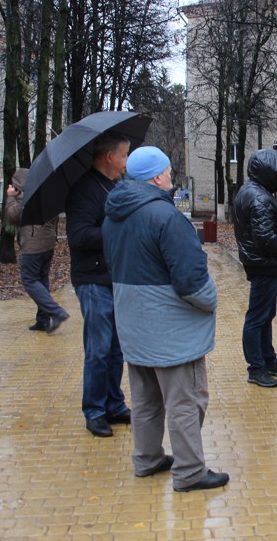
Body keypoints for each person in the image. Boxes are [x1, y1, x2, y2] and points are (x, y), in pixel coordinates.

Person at [103, 146, 229, 493]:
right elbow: (191, 279)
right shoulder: (166, 217)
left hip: (133, 323)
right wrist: (211, 301)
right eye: (169, 171)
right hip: (170, 330)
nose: (172, 177)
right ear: (157, 176)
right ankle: (189, 472)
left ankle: (147, 458)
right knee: (187, 400)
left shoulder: (114, 214)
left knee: (144, 398)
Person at [66, 135, 132, 438]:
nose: (127, 162)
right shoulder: (83, 190)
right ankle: (94, 410)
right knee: (99, 348)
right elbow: (79, 237)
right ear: (109, 156)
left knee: (116, 348)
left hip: (112, 277)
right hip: (91, 281)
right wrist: (115, 228)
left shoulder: (112, 186)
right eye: (124, 155)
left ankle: (114, 404)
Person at [233, 148, 277, 388]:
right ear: (269, 171)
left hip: (263, 265)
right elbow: (265, 237)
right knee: (257, 317)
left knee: (265, 315)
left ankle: (268, 359)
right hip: (264, 266)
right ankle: (256, 367)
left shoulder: (253, 191)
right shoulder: (259, 197)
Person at [4, 168, 70, 334]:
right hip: (48, 242)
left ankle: (56, 312)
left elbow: (12, 216)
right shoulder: (44, 194)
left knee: (29, 280)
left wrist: (11, 197)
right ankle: (42, 320)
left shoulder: (25, 198)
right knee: (41, 280)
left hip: (34, 244)